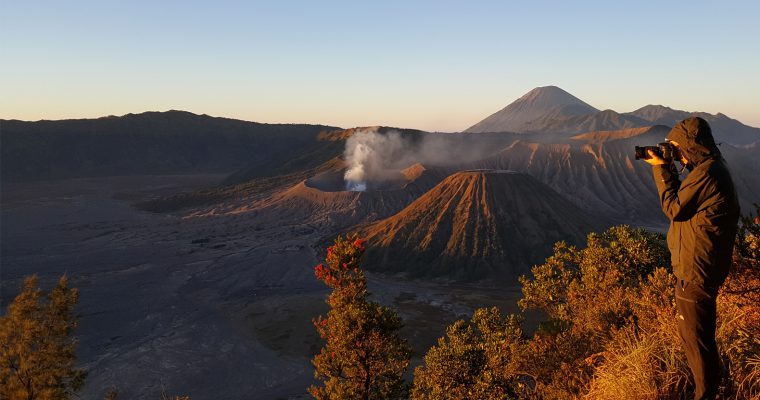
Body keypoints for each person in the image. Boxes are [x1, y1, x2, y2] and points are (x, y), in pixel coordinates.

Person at [644, 116, 740, 399]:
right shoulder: (711, 169)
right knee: (700, 339)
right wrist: (675, 167)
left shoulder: (707, 174)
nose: (674, 152)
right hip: (703, 267)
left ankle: (707, 393)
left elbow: (674, 208)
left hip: (696, 272)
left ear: (690, 145)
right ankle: (712, 386)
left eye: (676, 147)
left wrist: (662, 170)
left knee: (696, 343)